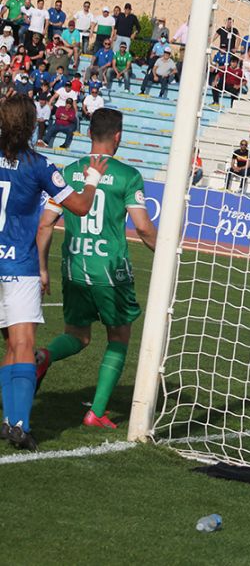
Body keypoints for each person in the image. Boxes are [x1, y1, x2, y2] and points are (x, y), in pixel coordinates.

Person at [35, 108, 157, 428]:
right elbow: (143, 228)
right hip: (110, 269)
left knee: (77, 335)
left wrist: (43, 267)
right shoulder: (129, 176)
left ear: (88, 134)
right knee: (118, 336)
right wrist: (169, 252)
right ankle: (97, 412)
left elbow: (46, 224)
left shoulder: (69, 170)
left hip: (74, 266)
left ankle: (43, 357)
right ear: (118, 136)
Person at [0, 94, 101, 450]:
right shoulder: (39, 165)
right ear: (32, 125)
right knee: (23, 343)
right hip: (18, 266)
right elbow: (81, 206)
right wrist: (92, 177)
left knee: (11, 346)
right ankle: (20, 425)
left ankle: (10, 421)